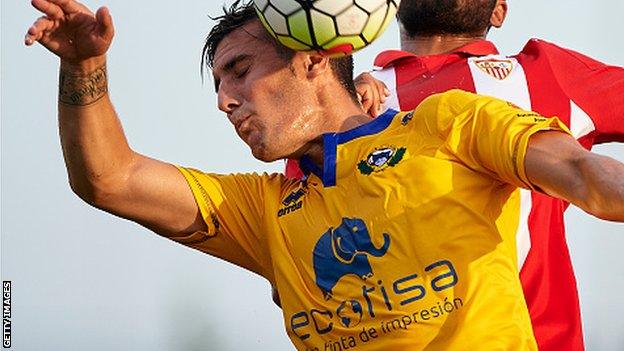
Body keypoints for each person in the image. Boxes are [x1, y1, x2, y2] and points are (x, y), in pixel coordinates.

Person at [25, 0, 624, 350]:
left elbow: (587, 177)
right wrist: (84, 65)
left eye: (240, 70)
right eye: (218, 84)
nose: (224, 101)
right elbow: (110, 179)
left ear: (313, 59)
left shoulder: (448, 123)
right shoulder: (263, 210)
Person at [285, 1, 624, 350]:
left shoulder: (546, 73)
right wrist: (337, 104)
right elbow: (298, 263)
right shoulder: (346, 102)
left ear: (498, 11)